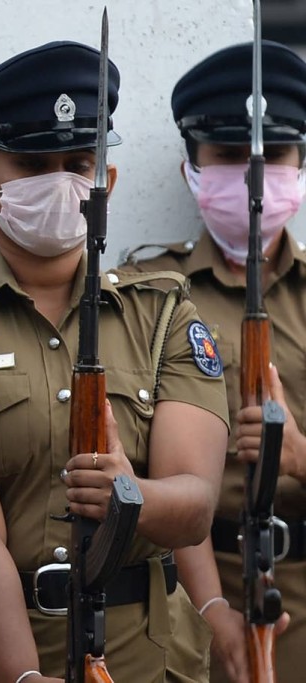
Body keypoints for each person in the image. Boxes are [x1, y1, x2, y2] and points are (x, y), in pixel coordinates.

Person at [0, 41, 231, 682]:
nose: (60, 184)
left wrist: (132, 495)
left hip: (144, 651)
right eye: (33, 164)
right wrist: (23, 676)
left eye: (76, 163)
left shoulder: (164, 317)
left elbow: (196, 504)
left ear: (106, 181)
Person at [121, 41, 306, 683]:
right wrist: (210, 605)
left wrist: (298, 455)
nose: (252, 178)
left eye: (271, 157)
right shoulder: (147, 295)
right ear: (190, 169)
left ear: (300, 165)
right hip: (186, 582)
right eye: (228, 157)